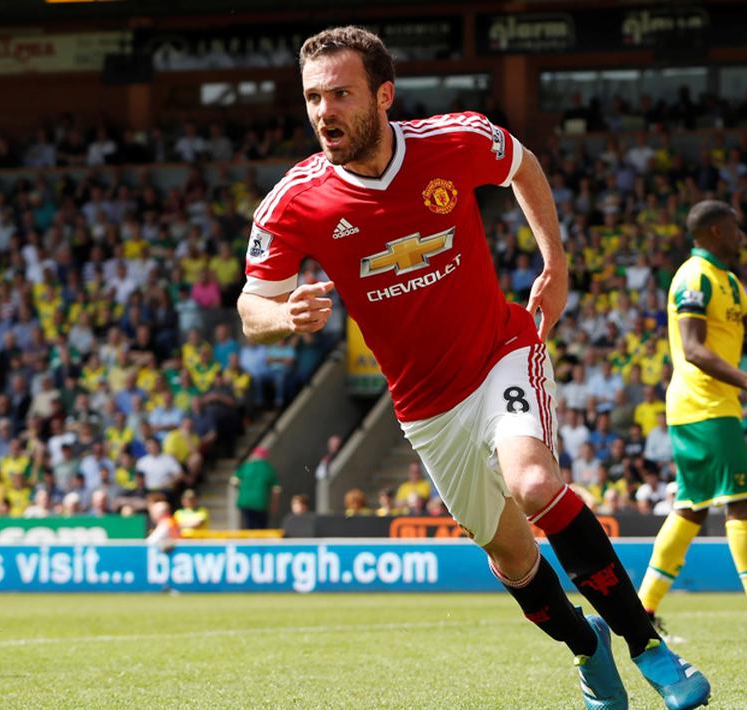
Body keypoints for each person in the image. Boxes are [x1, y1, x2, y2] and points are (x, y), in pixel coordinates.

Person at [235, 26, 708, 709]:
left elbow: (523, 165)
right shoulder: (294, 200)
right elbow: (252, 305)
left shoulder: (453, 140)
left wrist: (555, 262)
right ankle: (587, 646)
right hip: (424, 405)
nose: (323, 112)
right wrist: (285, 318)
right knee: (511, 558)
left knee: (534, 482)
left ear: (384, 95)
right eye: (313, 97)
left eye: (340, 93)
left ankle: (649, 647)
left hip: (498, 354)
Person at [636, 200, 747, 643]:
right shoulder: (693, 277)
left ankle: (641, 612)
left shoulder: (729, 284)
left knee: (692, 509)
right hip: (704, 407)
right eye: (736, 229)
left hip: (708, 407)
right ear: (716, 231)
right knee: (743, 504)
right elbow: (694, 349)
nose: (742, 237)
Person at [231, 447, 280, 530]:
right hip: (261, 503)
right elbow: (276, 490)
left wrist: (242, 490)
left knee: (249, 526)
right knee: (261, 528)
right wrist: (274, 505)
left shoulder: (246, 466)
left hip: (245, 502)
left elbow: (234, 481)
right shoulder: (269, 469)